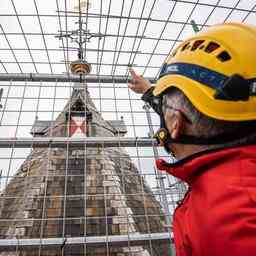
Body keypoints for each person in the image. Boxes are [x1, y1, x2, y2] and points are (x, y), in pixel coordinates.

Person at [128, 22, 256, 256]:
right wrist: (150, 91)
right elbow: (193, 113)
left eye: (164, 107)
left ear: (175, 123)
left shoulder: (227, 223)